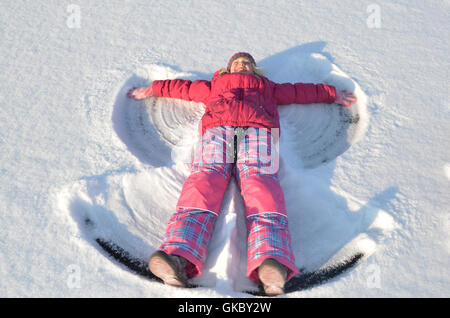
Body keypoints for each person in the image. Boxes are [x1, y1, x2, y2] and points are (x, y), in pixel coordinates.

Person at [127, 52, 357, 295]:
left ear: (255, 70)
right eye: (237, 62)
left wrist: (331, 94)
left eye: (247, 62)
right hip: (217, 132)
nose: (242, 64)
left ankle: (272, 258)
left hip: (259, 133)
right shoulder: (214, 86)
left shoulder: (268, 88)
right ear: (227, 69)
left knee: (261, 182)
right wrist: (153, 89)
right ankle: (179, 255)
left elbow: (299, 91)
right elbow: (183, 88)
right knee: (204, 179)